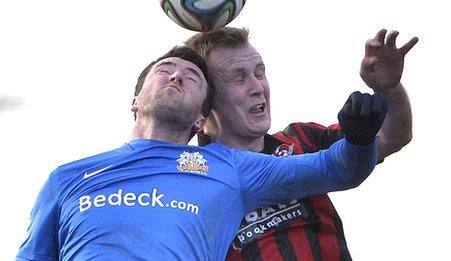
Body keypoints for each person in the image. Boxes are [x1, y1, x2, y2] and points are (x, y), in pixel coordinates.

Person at [16, 46, 386, 260]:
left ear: (199, 119)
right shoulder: (67, 177)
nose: (177, 76)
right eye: (165, 70)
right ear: (134, 101)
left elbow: (336, 169)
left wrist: (358, 137)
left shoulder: (227, 168)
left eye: (192, 77)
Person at [185, 28, 418, 260]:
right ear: (204, 101)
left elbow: (392, 137)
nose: (258, 88)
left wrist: (389, 90)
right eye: (239, 78)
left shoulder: (301, 138)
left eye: (260, 73)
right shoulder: (187, 185)